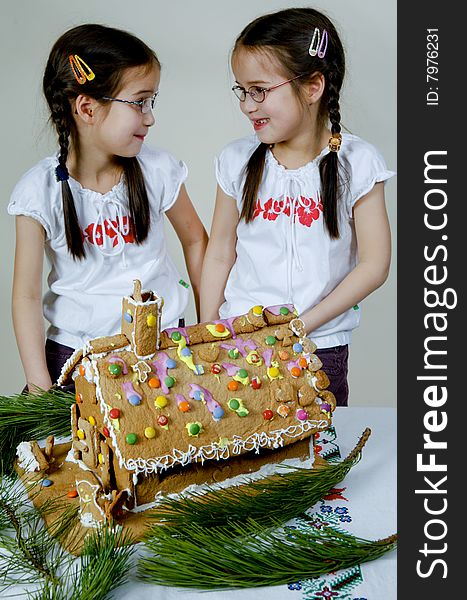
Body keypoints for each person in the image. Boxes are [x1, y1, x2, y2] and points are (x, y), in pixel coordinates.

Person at [200, 8, 394, 406]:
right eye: (242, 90)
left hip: (320, 347)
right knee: (243, 456)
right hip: (241, 346)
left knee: (314, 460)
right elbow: (220, 253)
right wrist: (210, 331)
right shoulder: (236, 160)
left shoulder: (358, 163)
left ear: (313, 86)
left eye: (260, 90)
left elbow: (375, 265)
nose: (247, 105)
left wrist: (300, 327)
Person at [8, 24, 208, 391]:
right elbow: (26, 296)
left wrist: (208, 328)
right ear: (86, 107)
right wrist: (39, 381)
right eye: (139, 102)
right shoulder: (39, 191)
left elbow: (196, 241)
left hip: (162, 351)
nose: (150, 116)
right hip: (76, 360)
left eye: (152, 102)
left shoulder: (157, 170)